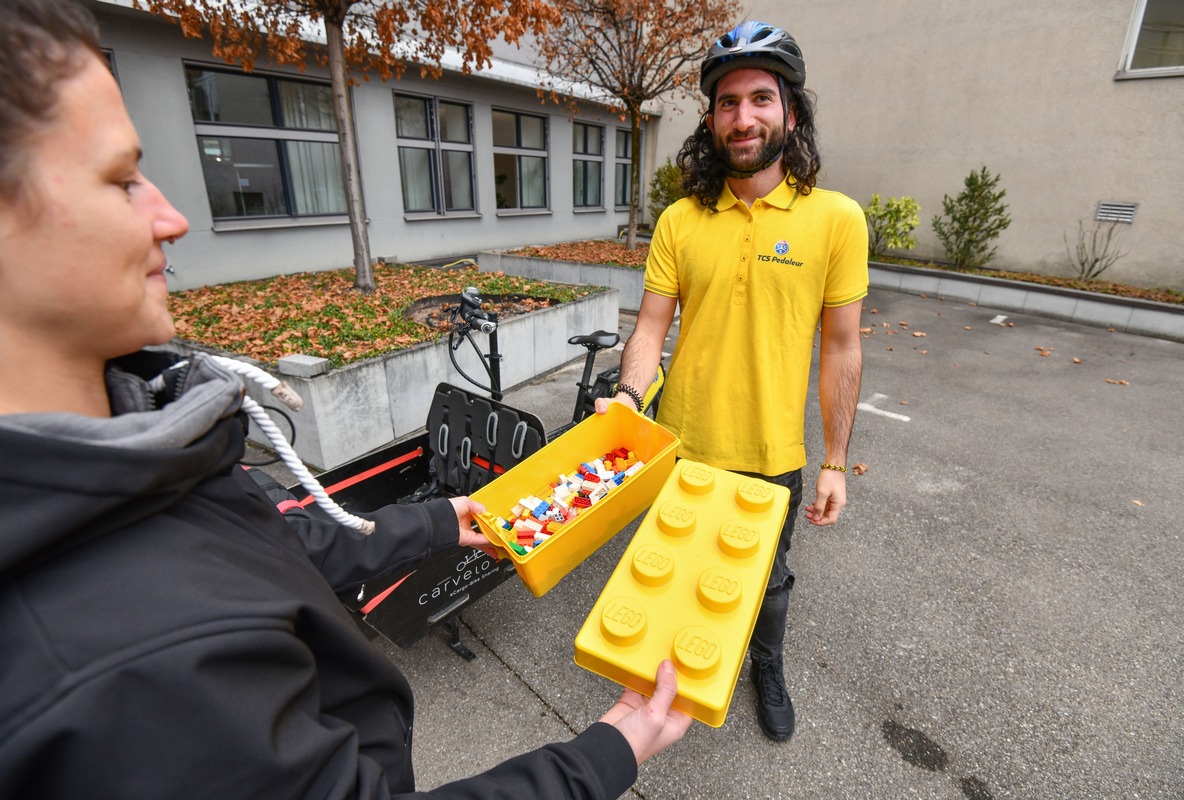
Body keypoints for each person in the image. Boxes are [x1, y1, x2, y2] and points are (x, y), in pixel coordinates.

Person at [0, 0, 690, 796]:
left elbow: (249, 547)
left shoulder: (130, 434)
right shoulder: (127, 670)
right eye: (121, 181)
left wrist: (436, 521)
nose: (173, 215)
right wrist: (605, 754)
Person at [595, 20, 868, 742]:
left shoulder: (837, 220)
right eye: (726, 102)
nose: (742, 117)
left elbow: (841, 348)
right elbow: (651, 327)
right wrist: (627, 399)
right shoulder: (681, 221)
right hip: (680, 447)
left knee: (768, 582)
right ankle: (663, 672)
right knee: (670, 569)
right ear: (710, 118)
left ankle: (765, 667)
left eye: (760, 99)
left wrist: (836, 460)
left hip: (773, 456)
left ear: (792, 113)